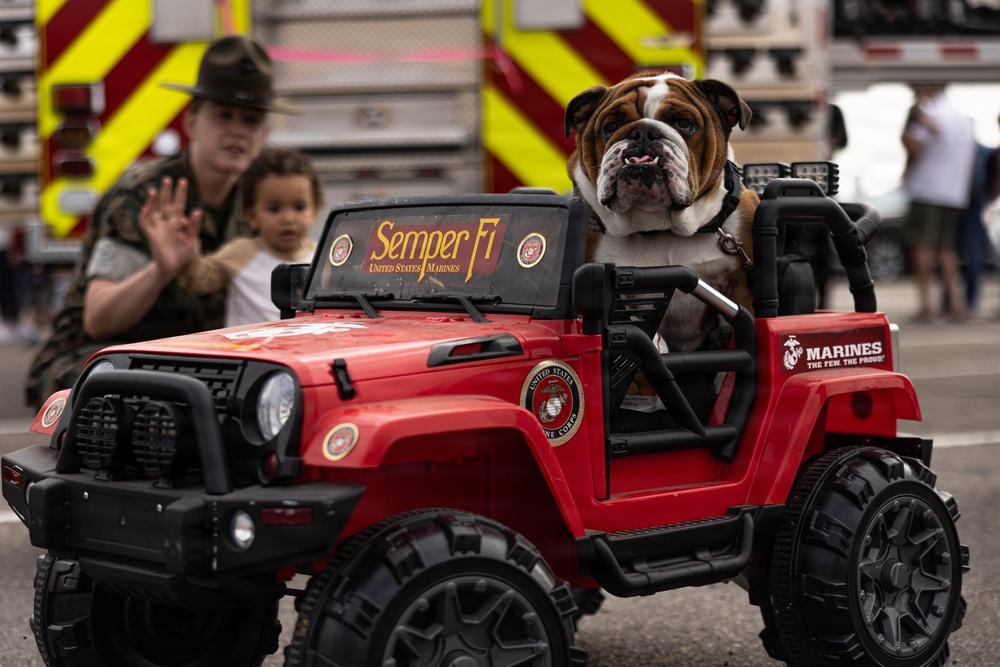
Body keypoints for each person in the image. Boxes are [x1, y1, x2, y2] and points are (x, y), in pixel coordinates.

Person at [25, 34, 298, 410]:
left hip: (194, 359)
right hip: (102, 359)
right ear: (192, 123)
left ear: (264, 135)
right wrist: (160, 270)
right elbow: (98, 319)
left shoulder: (261, 203)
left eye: (251, 121)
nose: (238, 130)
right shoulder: (145, 197)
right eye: (223, 115)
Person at [146, 147, 322, 326]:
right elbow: (199, 279)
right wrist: (188, 254)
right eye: (274, 209)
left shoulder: (322, 259)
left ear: (315, 210)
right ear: (252, 215)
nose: (288, 219)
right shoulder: (242, 253)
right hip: (249, 351)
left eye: (299, 207)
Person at [900, 83, 976, 322]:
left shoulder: (930, 116)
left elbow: (914, 146)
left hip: (928, 188)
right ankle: (955, 303)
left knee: (921, 245)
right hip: (953, 191)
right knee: (946, 248)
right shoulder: (963, 119)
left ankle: (927, 306)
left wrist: (907, 129)